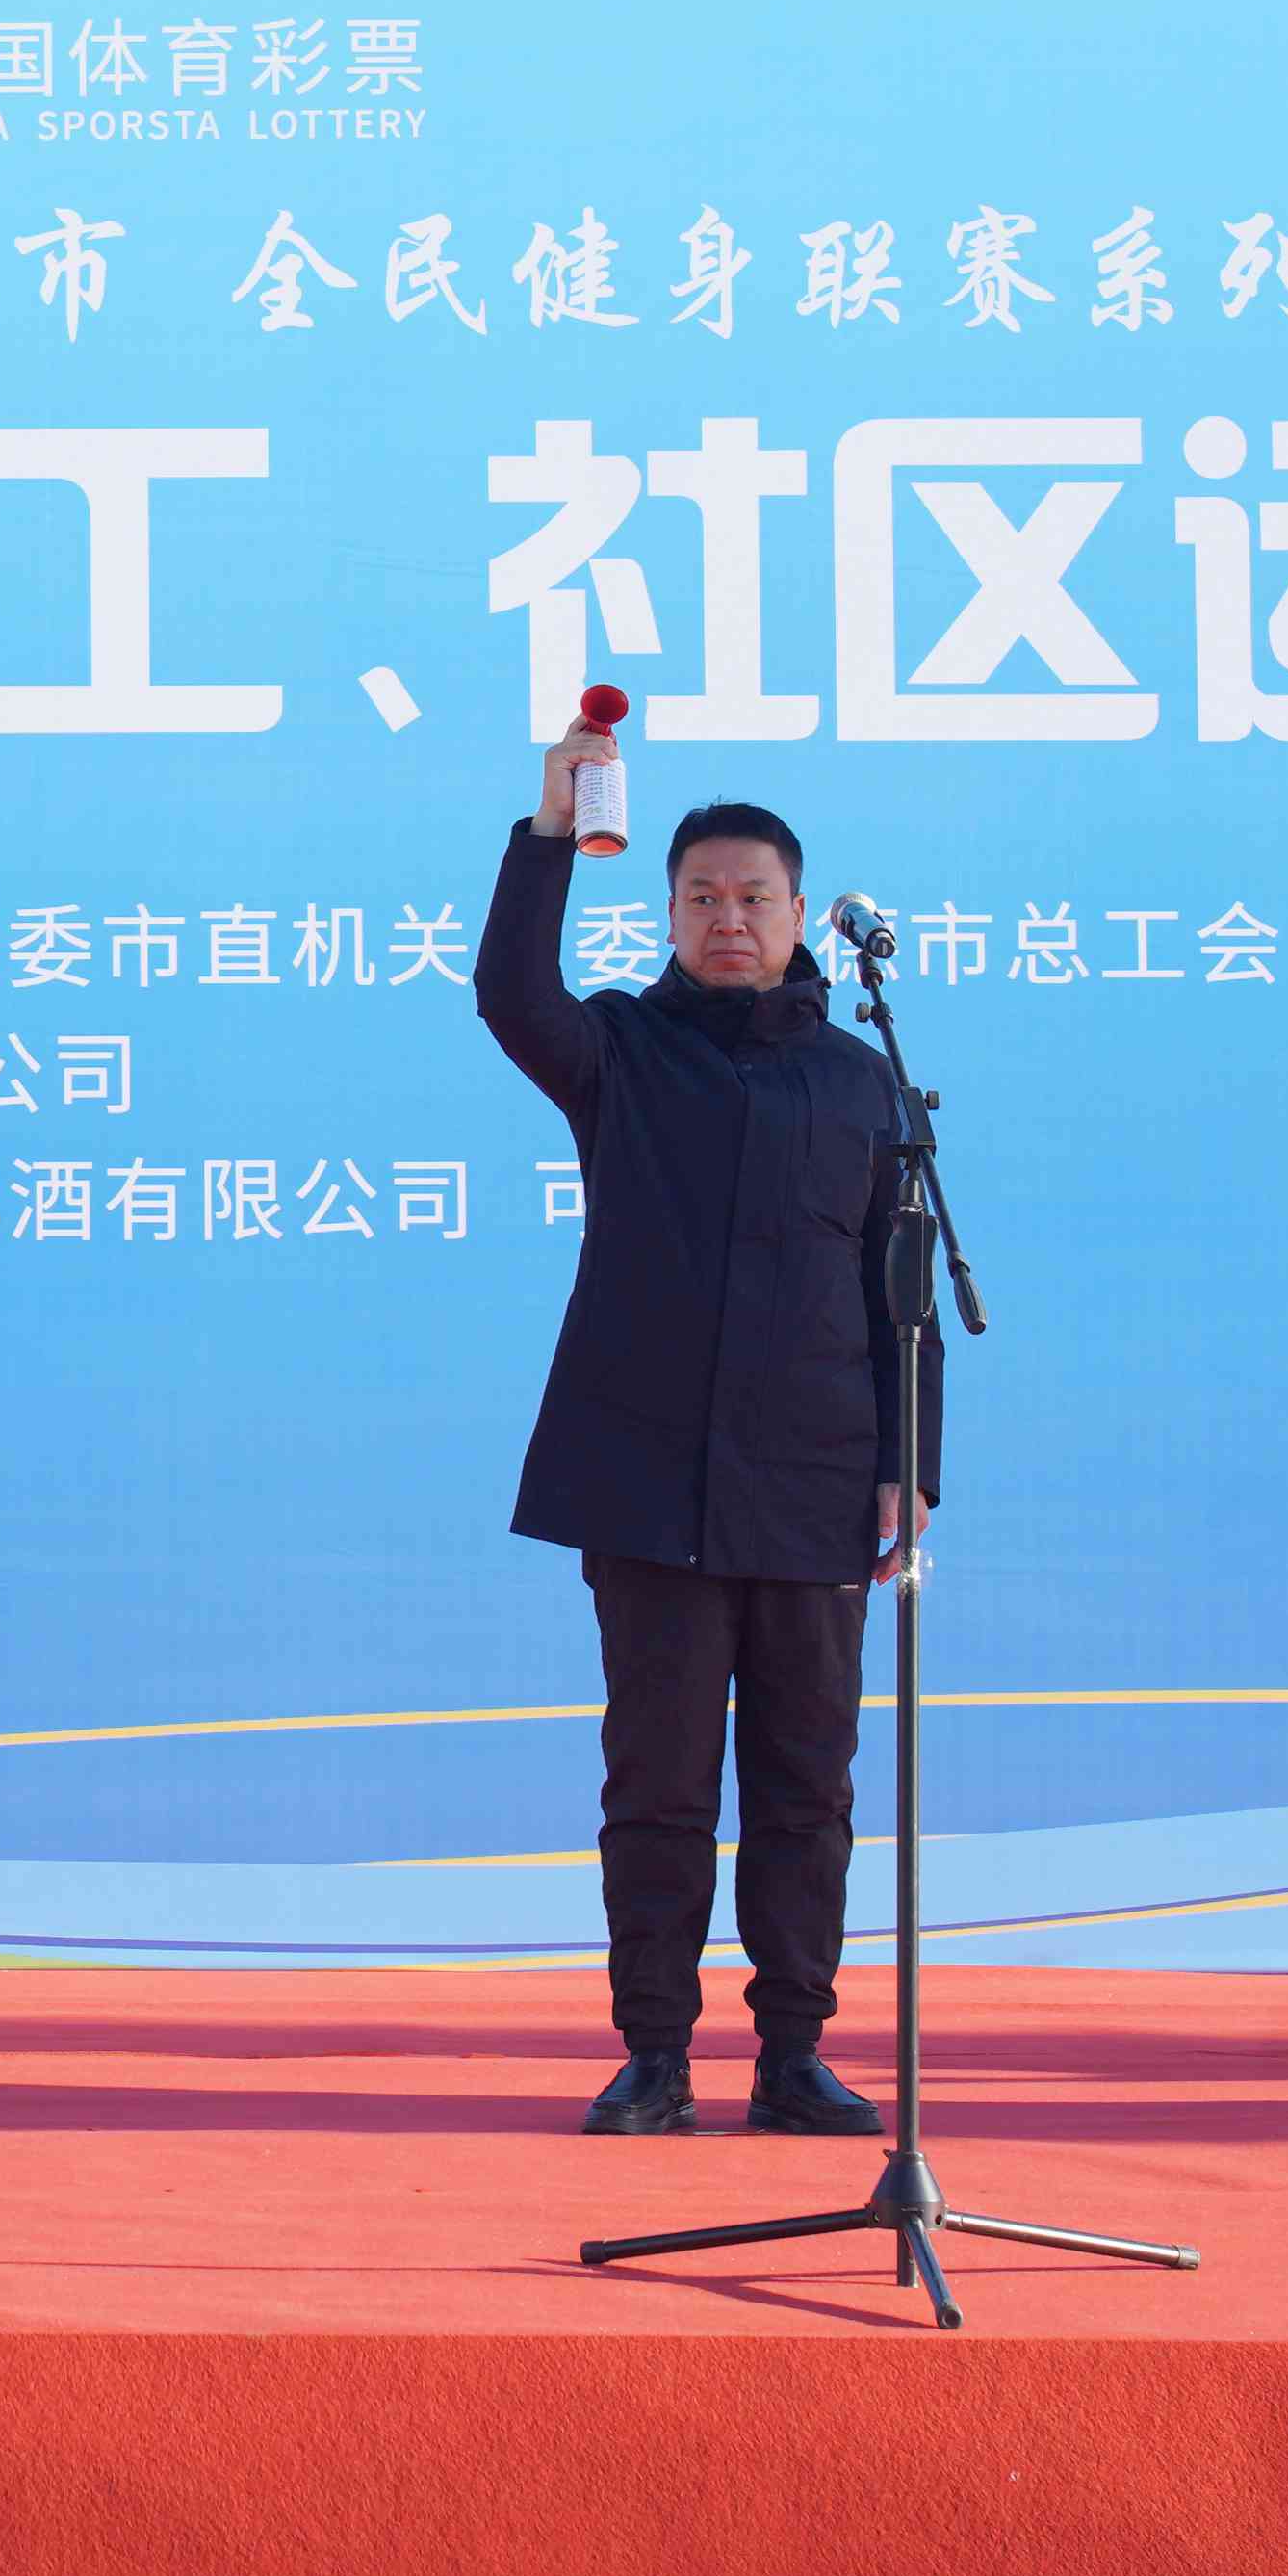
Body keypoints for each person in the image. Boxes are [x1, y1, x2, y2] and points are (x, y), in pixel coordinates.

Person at [474, 718, 921, 2140]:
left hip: (816, 1485)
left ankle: (794, 2053)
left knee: (806, 1790)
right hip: (648, 1479)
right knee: (658, 1788)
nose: (730, 919)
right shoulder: (619, 1050)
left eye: (755, 897)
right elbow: (509, 992)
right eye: (703, 897)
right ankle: (655, 2053)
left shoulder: (862, 1082)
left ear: (801, 913)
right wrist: (551, 829)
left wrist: (911, 1466)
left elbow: (899, 1295)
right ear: (669, 912)